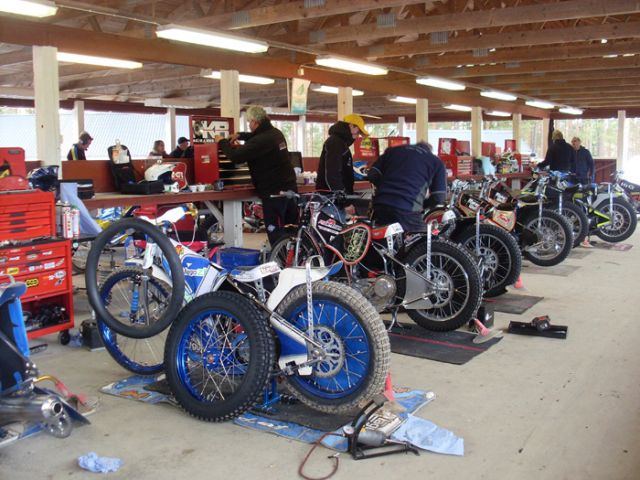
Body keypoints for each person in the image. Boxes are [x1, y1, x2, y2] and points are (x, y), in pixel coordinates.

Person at [215, 106, 297, 245]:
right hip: (289, 187)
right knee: (291, 228)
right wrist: (240, 135)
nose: (249, 125)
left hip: (274, 191)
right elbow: (258, 136)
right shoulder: (276, 133)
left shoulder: (261, 140)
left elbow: (236, 156)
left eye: (249, 122)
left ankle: (281, 256)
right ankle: (295, 255)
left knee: (275, 229)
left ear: (254, 122)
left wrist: (222, 142)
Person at [367, 143, 447, 232]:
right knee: (425, 237)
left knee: (383, 236)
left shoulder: (392, 151)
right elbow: (439, 197)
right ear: (430, 151)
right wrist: (422, 205)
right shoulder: (435, 162)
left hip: (380, 204)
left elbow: (372, 174)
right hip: (407, 208)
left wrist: (385, 189)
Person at [316, 113, 369, 196]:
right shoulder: (336, 142)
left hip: (337, 196)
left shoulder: (341, 143)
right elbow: (333, 173)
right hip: (331, 197)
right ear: (351, 126)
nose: (357, 136)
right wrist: (341, 195)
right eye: (358, 132)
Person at [570, 136, 596, 248]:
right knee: (573, 199)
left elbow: (592, 164)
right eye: (573, 142)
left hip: (584, 179)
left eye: (576, 142)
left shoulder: (585, 152)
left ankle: (585, 224)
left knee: (584, 201)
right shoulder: (570, 152)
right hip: (572, 179)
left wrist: (592, 176)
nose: (574, 144)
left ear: (579, 142)